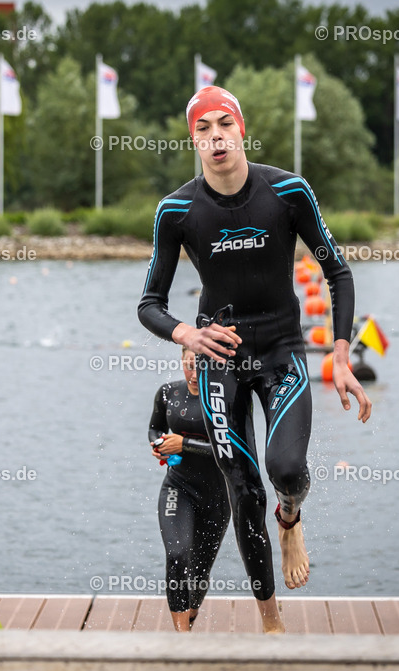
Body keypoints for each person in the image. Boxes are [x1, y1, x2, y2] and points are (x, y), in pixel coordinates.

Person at [137, 85, 372, 633]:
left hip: (282, 352)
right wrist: (187, 337)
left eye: (225, 125)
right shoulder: (177, 210)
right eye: (203, 129)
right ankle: (271, 622)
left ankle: (290, 517)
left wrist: (340, 354)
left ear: (241, 130)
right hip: (221, 361)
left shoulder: (288, 191)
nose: (215, 137)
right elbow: (150, 304)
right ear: (193, 139)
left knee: (286, 470)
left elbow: (337, 272)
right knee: (243, 490)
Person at [148, 346, 231, 632]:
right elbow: (155, 428)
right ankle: (181, 637)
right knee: (177, 554)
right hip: (178, 487)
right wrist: (158, 446)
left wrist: (182, 444)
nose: (194, 374)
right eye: (188, 365)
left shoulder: (224, 398)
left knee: (199, 571)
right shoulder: (167, 392)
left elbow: (230, 450)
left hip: (218, 496)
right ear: (181, 361)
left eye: (200, 366)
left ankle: (191, 615)